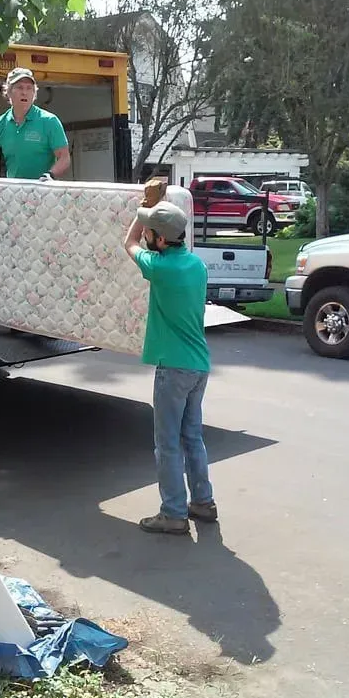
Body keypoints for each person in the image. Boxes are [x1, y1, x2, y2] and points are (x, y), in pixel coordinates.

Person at [124, 199, 217, 535]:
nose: (147, 234)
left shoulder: (159, 268)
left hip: (173, 368)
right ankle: (202, 502)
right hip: (198, 365)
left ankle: (174, 513)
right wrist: (151, 214)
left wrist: (139, 212)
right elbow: (146, 241)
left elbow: (129, 244)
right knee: (192, 436)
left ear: (161, 240)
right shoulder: (196, 265)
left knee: (166, 443)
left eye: (152, 230)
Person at [0, 67, 70, 187]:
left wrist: (49, 176)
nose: (25, 92)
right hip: (13, 192)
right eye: (20, 87)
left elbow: (64, 157)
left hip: (43, 191)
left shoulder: (49, 121)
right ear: (8, 92)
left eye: (29, 88)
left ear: (34, 93)